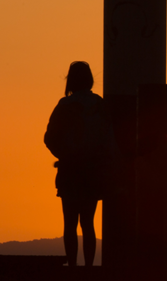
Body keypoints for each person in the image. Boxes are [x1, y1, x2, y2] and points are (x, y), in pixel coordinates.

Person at [44, 61, 113, 267]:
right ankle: (89, 266)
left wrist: (63, 154)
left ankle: (73, 266)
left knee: (70, 223)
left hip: (70, 170)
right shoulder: (100, 105)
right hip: (93, 170)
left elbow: (49, 137)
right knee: (88, 223)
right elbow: (108, 138)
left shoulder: (64, 106)